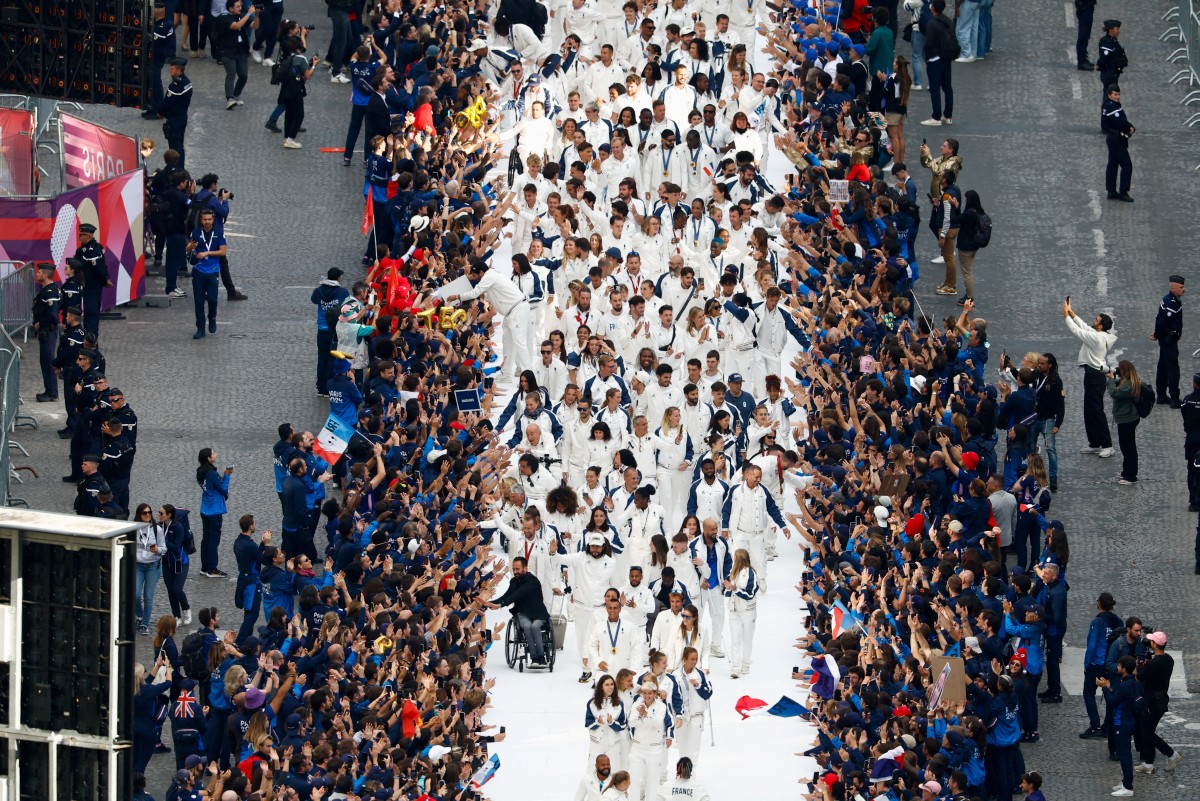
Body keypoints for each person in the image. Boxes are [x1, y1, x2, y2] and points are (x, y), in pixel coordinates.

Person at [1064, 299, 1117, 458]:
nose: (1093, 321)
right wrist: (1072, 313)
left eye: (1096, 320)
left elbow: (1077, 331)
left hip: (1095, 376)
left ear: (1100, 326)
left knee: (1097, 411)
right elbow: (1085, 327)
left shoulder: (1097, 338)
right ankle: (1094, 443)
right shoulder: (1099, 334)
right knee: (1089, 411)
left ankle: (1107, 445)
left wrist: (1066, 316)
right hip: (1092, 375)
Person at [488, 555, 552, 665]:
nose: (515, 571)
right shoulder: (513, 581)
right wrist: (490, 603)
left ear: (525, 568)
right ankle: (534, 658)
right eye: (513, 569)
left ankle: (541, 657)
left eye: (518, 569)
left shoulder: (533, 581)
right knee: (527, 626)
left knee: (535, 626)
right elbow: (506, 595)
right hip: (522, 613)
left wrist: (501, 605)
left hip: (538, 613)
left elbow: (518, 594)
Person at [1135, 630, 1184, 775]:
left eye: (1151, 641)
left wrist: (1140, 666)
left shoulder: (1153, 664)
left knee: (1147, 733)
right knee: (1148, 731)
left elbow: (1140, 677)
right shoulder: (1168, 659)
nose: (1150, 642)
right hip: (1161, 699)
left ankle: (1171, 755)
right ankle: (1149, 764)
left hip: (1151, 702)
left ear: (1155, 644)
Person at [1080, 591, 1122, 739]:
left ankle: (1095, 725)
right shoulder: (1118, 621)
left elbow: (1092, 645)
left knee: (1088, 693)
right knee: (1110, 693)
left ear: (1099, 604)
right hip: (1112, 663)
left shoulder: (1097, 622)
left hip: (1097, 663)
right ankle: (1108, 725)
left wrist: (1087, 663)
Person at [1099, 655, 1139, 797]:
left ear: (1124, 668)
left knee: (1124, 755)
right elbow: (1118, 697)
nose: (1117, 668)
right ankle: (1125, 782)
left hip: (1121, 723)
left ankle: (1128, 787)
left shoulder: (1125, 685)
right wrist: (1109, 688)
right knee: (1125, 754)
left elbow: (1112, 702)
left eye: (1119, 666)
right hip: (1128, 721)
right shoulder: (1131, 682)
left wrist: (1104, 688)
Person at [184, 208, 227, 339]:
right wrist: (192, 246)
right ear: (201, 220)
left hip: (213, 271)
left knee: (213, 300)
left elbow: (223, 251)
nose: (207, 222)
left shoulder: (219, 233)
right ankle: (200, 328)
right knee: (198, 301)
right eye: (205, 219)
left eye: (209, 219)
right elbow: (187, 248)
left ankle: (212, 317)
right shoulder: (196, 233)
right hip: (198, 271)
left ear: (213, 220)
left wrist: (207, 253)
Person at [627, 683, 673, 801]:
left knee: (653, 782)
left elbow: (658, 723)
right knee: (636, 780)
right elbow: (631, 723)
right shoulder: (636, 704)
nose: (647, 696)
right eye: (645, 693)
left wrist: (646, 715)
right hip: (637, 748)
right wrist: (642, 717)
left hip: (654, 749)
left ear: (655, 693)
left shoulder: (661, 706)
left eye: (650, 693)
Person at [69, 222, 112, 337]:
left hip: (92, 286)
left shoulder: (93, 250)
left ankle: (91, 340)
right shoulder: (82, 250)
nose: (79, 237)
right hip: (84, 285)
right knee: (84, 313)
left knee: (91, 313)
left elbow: (99, 267)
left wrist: (106, 278)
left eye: (82, 235)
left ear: (89, 236)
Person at [311, 267, 349, 395]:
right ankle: (329, 386)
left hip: (322, 329)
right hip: (334, 330)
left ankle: (320, 386)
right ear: (338, 278)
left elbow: (314, 300)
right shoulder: (342, 292)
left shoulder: (319, 291)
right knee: (332, 359)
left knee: (322, 358)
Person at [196, 447, 232, 577]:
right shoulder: (212, 474)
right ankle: (212, 568)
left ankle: (204, 567)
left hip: (205, 509)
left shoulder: (200, 471)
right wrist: (227, 475)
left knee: (206, 539)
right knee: (213, 541)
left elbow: (212, 485)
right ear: (208, 458)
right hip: (214, 511)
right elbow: (223, 488)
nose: (215, 455)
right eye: (213, 453)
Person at [722, 548, 758, 679]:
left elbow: (750, 593)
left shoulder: (751, 573)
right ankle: (735, 667)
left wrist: (735, 589)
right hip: (734, 610)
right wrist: (726, 586)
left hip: (748, 611)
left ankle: (745, 664)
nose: (734, 560)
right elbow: (726, 589)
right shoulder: (732, 573)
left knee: (747, 639)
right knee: (735, 639)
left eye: (736, 558)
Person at [277, 35, 318, 149]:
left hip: (285, 88)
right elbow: (307, 75)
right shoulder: (301, 58)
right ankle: (291, 139)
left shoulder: (286, 56)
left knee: (289, 114)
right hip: (296, 89)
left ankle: (287, 137)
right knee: (299, 114)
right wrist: (313, 66)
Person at [132, 661, 173, 773]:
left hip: (132, 729)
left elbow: (148, 679)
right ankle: (137, 785)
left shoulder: (129, 689)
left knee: (133, 760)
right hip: (147, 730)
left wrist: (158, 665)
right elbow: (168, 683)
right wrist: (168, 667)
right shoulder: (147, 690)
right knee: (142, 762)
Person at [919, 0, 956, 126]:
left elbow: (929, 43)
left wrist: (927, 58)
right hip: (947, 57)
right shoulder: (948, 21)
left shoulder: (932, 23)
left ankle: (936, 117)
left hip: (935, 59)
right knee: (947, 87)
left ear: (933, 8)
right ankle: (948, 115)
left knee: (935, 89)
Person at [1107, 359, 1143, 485]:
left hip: (1128, 419)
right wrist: (1112, 375)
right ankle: (1126, 472)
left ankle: (1131, 476)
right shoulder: (1127, 381)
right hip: (1125, 418)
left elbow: (1114, 392)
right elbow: (1117, 384)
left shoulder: (1129, 385)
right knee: (1125, 446)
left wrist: (1111, 379)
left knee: (1129, 448)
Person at [216, 0, 257, 109]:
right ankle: (229, 99)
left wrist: (257, 15)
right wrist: (249, 14)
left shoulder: (242, 16)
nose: (240, 8)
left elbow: (254, 26)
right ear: (230, 8)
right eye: (238, 6)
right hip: (227, 51)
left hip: (241, 50)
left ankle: (236, 93)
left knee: (243, 75)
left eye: (240, 6)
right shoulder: (224, 18)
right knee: (231, 73)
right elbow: (236, 26)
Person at [134, 503, 167, 636]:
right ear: (139, 515)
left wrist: (157, 550)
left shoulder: (156, 529)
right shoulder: (134, 529)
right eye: (144, 513)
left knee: (148, 596)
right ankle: (140, 615)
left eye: (149, 512)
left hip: (153, 566)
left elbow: (164, 548)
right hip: (138, 565)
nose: (147, 515)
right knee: (135, 594)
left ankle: (145, 623)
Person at [1152, 275, 1185, 407]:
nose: (1184, 289)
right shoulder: (1172, 303)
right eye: (1181, 287)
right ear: (1173, 287)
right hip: (1169, 339)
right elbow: (1162, 321)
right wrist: (1156, 334)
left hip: (1165, 338)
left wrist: (1157, 334)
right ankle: (1174, 398)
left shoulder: (1168, 299)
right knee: (1172, 368)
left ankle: (1161, 395)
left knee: (1163, 365)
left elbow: (1158, 318)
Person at [32, 263, 61, 402]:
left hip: (48, 331)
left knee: (48, 361)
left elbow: (52, 316)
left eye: (39, 273)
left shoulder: (50, 293)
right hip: (44, 331)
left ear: (45, 274)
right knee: (45, 361)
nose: (36, 275)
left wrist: (40, 324)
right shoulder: (45, 290)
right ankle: (49, 390)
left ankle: (52, 392)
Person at [585, 677, 628, 771]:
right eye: (607, 684)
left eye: (612, 684)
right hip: (597, 744)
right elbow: (588, 724)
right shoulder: (592, 703)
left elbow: (623, 725)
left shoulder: (619, 703)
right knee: (593, 771)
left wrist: (611, 723)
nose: (610, 687)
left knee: (614, 772)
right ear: (601, 687)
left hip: (613, 744)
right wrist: (597, 722)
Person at [157, 58, 193, 168]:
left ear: (178, 71)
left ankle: (177, 170)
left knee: (175, 148)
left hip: (174, 120)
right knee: (180, 146)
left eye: (172, 69)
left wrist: (160, 112)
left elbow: (166, 103)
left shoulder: (175, 86)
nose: (170, 71)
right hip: (183, 117)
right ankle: (179, 168)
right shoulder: (187, 82)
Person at [1101, 84, 1134, 202]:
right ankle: (1123, 192)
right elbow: (1121, 122)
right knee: (1127, 165)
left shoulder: (1111, 105)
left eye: (1119, 94)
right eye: (1115, 94)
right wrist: (1129, 128)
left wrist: (1130, 126)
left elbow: (1123, 120)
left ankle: (1111, 191)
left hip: (1113, 138)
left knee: (1113, 164)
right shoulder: (1111, 107)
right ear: (1109, 94)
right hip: (1116, 139)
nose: (1117, 96)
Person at [160, 504, 191, 624]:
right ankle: (176, 616)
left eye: (161, 513)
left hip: (180, 562)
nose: (159, 515)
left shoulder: (178, 527)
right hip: (166, 563)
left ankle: (186, 609)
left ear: (169, 515)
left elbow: (176, 546)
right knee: (170, 591)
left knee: (177, 589)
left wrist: (164, 541)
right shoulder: (160, 526)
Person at [955, 189, 985, 304]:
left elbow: (956, 219)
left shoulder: (969, 213)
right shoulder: (977, 212)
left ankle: (970, 298)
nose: (965, 200)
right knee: (969, 270)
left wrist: (956, 207)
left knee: (967, 273)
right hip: (973, 246)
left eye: (967, 198)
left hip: (965, 247)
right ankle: (968, 295)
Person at [1183, 374, 1200, 511]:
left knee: (1191, 470)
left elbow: (1185, 415)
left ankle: (1193, 501)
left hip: (1192, 438)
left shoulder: (1187, 400)